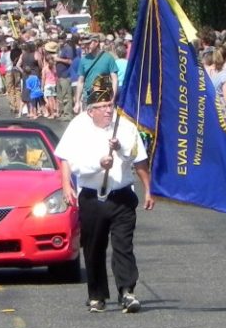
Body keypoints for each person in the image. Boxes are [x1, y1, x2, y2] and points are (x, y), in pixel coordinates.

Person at [55, 86, 155, 313]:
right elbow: (68, 160)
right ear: (91, 111)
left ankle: (127, 291)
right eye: (102, 107)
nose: (108, 111)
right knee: (93, 247)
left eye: (110, 105)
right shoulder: (79, 126)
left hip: (121, 195)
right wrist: (68, 184)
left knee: (123, 245)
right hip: (92, 195)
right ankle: (97, 295)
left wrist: (148, 189)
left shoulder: (126, 126)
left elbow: (139, 159)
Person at [74, 34, 118, 114]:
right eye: (85, 44)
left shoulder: (108, 58)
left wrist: (113, 98)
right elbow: (80, 82)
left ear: (96, 42)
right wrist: (77, 102)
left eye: (89, 44)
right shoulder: (84, 60)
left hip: (104, 99)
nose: (86, 46)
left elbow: (114, 79)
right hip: (88, 99)